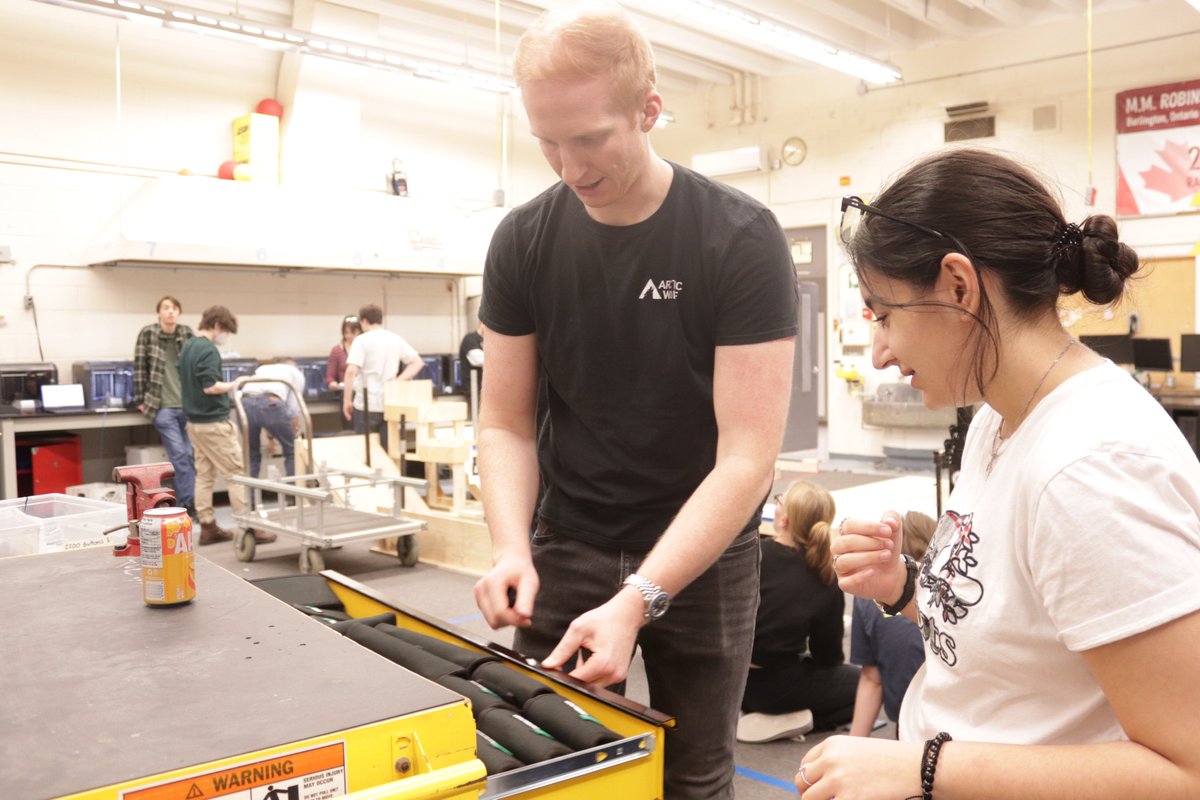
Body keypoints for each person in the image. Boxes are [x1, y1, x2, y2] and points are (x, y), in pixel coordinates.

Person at [795, 149, 1200, 799]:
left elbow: (1186, 771)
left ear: (959, 285)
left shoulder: (1090, 469)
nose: (878, 349)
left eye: (884, 313)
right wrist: (902, 589)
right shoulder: (999, 418)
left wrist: (922, 767)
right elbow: (1017, 641)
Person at [471, 5, 797, 797]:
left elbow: (748, 457)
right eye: (547, 140)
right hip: (569, 543)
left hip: (706, 556)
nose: (567, 165)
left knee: (694, 777)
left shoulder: (739, 237)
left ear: (649, 111)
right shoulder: (523, 239)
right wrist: (511, 546)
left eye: (589, 139)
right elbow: (504, 421)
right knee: (550, 765)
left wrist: (642, 595)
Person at [738, 481, 860, 743]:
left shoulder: (751, 554)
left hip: (732, 683)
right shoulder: (824, 577)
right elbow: (828, 656)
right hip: (776, 687)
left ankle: (775, 715)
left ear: (783, 520)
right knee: (869, 683)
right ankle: (807, 723)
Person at [178, 305, 274, 546]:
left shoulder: (188, 345)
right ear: (218, 326)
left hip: (194, 423)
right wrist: (235, 384)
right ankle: (248, 526)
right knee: (236, 474)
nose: (225, 337)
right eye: (226, 332)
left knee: (204, 475)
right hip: (213, 423)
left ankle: (208, 526)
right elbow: (210, 386)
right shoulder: (208, 349)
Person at [847, 509, 935, 738]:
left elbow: (871, 680)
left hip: (908, 727)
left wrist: (855, 743)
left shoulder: (867, 598)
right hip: (964, 728)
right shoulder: (956, 595)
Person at [133, 295, 196, 516]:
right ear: (158, 312)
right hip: (162, 407)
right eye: (166, 308)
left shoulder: (186, 333)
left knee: (189, 455)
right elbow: (140, 366)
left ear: (179, 313)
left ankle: (185, 502)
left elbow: (195, 368)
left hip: (188, 406)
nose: (170, 312)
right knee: (179, 455)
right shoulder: (148, 333)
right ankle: (186, 504)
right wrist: (141, 399)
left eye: (174, 308)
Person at [342, 304, 423, 451]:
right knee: (388, 451)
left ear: (364, 321)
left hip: (365, 405)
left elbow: (350, 372)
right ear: (381, 320)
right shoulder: (395, 339)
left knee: (366, 451)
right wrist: (398, 381)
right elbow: (417, 362)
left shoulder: (361, 341)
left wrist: (347, 400)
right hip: (388, 403)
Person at [240, 358, 307, 481]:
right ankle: (293, 496)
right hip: (272, 403)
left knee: (251, 454)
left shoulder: (264, 369)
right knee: (292, 451)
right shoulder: (296, 374)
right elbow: (293, 411)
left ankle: (250, 498)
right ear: (295, 366)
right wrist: (296, 433)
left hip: (245, 403)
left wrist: (271, 439)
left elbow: (259, 407)